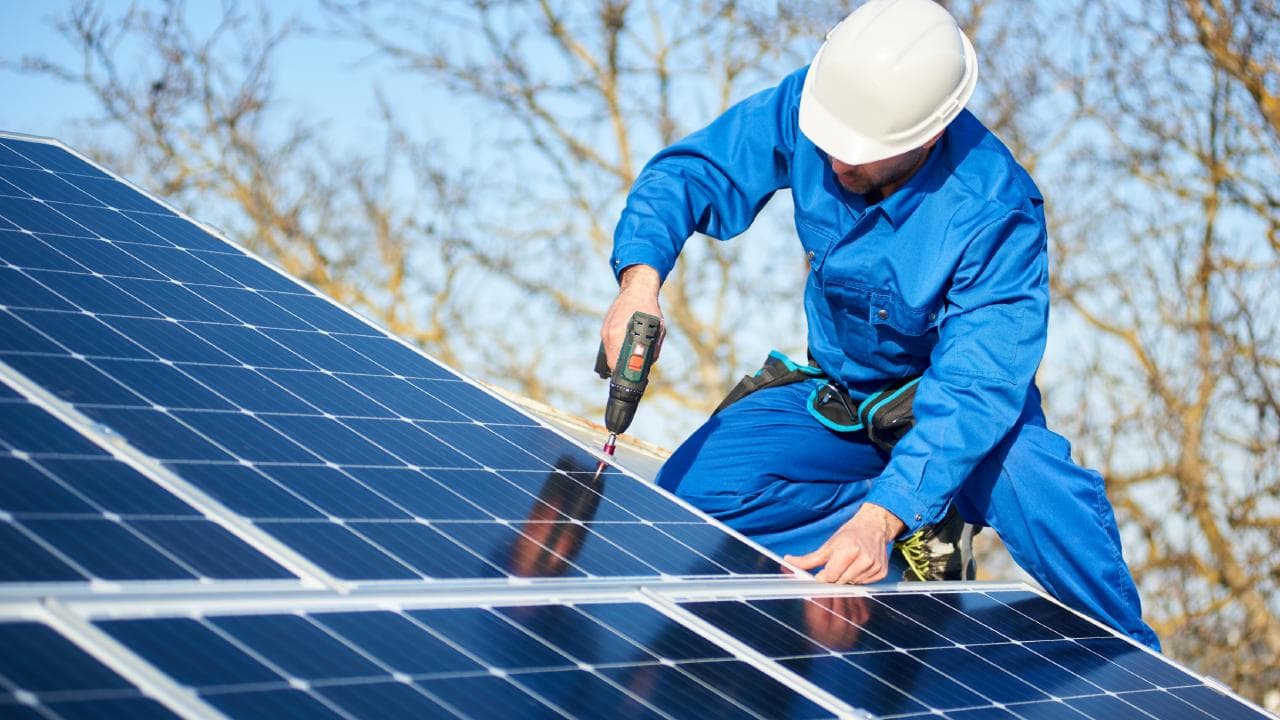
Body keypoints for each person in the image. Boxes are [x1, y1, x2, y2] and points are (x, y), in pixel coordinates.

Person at [599, 0, 1159, 649]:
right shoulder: (819, 105)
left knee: (1042, 493)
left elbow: (976, 388)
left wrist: (884, 514)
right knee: (689, 496)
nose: (835, 164)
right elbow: (696, 171)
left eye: (859, 154)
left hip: (949, 414)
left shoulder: (994, 211)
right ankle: (916, 525)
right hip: (842, 401)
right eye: (829, 145)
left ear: (925, 136)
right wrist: (639, 285)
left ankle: (1138, 660)